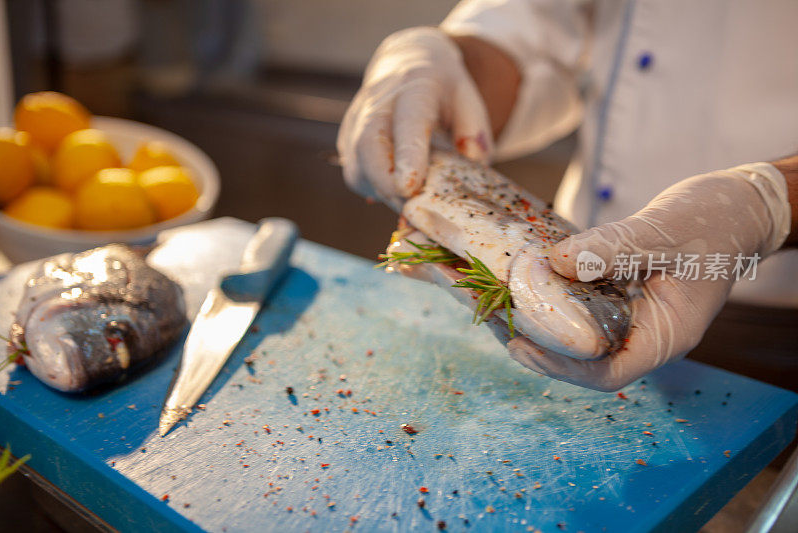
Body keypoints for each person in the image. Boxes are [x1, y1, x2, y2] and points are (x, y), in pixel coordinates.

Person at [336, 0, 798, 391]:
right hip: (582, 255)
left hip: (778, 321)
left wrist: (768, 204)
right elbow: (536, 24)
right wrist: (446, 63)